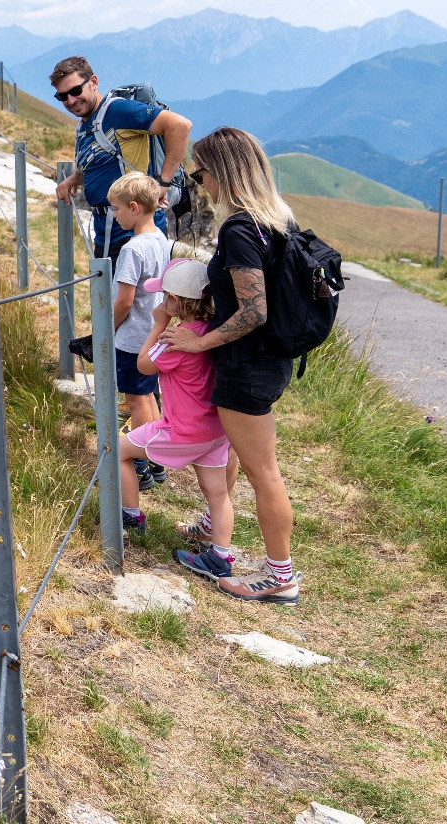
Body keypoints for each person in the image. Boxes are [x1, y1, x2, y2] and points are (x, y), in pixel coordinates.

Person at [158, 127, 301, 604]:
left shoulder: (239, 229)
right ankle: (212, 518)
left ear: (223, 172)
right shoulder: (277, 220)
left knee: (264, 470)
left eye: (200, 173)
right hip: (271, 360)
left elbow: (253, 310)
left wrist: (201, 345)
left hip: (247, 366)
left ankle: (280, 577)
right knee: (232, 449)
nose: (200, 184)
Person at [117, 259, 231, 546]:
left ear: (174, 299)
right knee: (218, 495)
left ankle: (130, 515)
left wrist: (159, 323)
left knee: (115, 451)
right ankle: (221, 554)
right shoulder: (213, 331)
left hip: (183, 430)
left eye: (163, 295)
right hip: (216, 431)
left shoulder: (175, 338)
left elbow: (144, 365)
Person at [48, 57, 192, 260]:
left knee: (132, 293)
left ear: (93, 82)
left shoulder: (118, 111)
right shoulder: (85, 124)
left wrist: (163, 184)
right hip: (108, 233)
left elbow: (180, 125)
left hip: (134, 234)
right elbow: (98, 163)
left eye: (75, 91)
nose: (71, 100)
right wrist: (74, 179)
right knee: (108, 292)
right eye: (62, 96)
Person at [108, 173, 171, 434]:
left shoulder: (132, 249)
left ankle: (140, 457)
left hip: (132, 338)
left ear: (134, 208)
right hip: (152, 333)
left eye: (116, 209)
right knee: (148, 394)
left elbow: (125, 301)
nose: (114, 215)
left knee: (135, 400)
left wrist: (107, 328)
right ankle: (156, 453)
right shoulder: (159, 238)